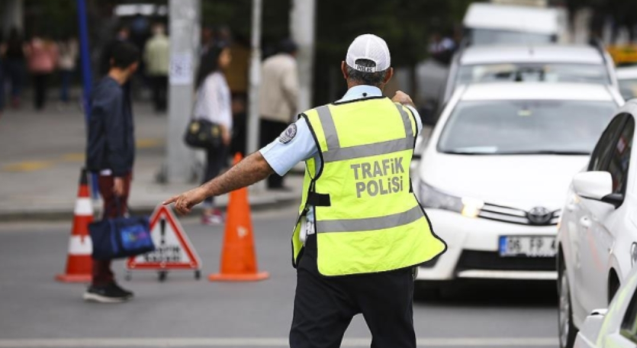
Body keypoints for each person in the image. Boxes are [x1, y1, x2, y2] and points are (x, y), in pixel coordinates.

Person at [164, 34, 447, 348]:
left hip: (330, 261)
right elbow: (404, 105)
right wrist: (400, 101)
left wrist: (203, 191)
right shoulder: (407, 119)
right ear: (389, 74)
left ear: (344, 69)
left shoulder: (319, 123)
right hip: (392, 260)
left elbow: (261, 163)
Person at [85, 41, 140, 303]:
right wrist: (120, 172)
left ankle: (105, 278)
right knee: (110, 222)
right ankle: (99, 281)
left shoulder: (104, 88)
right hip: (112, 169)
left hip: (108, 167)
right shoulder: (114, 93)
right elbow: (115, 135)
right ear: (133, 65)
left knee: (111, 218)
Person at [192, 43, 233, 226]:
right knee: (213, 168)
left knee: (214, 167)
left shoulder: (217, 77)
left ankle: (209, 205)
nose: (228, 59)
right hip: (216, 131)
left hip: (220, 129)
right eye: (225, 55)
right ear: (217, 57)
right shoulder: (212, 79)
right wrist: (224, 130)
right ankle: (207, 207)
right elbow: (213, 109)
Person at [258, 38, 299, 190]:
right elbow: (290, 87)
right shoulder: (289, 64)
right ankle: (277, 182)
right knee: (282, 149)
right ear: (293, 52)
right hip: (280, 112)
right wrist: (294, 105)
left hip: (264, 111)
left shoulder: (267, 62)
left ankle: (266, 180)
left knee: (266, 148)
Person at [26, 33, 58, 111]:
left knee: (37, 86)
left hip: (35, 66)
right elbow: (54, 55)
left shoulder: (33, 44)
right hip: (46, 66)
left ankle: (37, 102)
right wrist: (54, 64)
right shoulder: (50, 44)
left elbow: (28, 54)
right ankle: (42, 102)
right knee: (43, 86)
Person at [143, 23, 170, 112]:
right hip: (166, 69)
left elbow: (147, 57)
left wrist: (148, 66)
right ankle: (164, 104)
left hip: (154, 69)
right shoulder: (168, 42)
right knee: (165, 88)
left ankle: (158, 105)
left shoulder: (150, 43)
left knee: (156, 88)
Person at [2, 27, 26, 109]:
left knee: (9, 80)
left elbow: (3, 53)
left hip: (9, 62)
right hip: (19, 63)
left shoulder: (8, 42)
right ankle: (16, 98)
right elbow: (25, 52)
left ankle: (10, 97)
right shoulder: (20, 42)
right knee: (18, 82)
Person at [57, 35, 78, 109]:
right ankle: (65, 97)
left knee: (64, 82)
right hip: (69, 65)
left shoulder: (60, 44)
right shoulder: (72, 44)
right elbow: (75, 54)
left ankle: (63, 97)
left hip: (62, 65)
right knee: (67, 82)